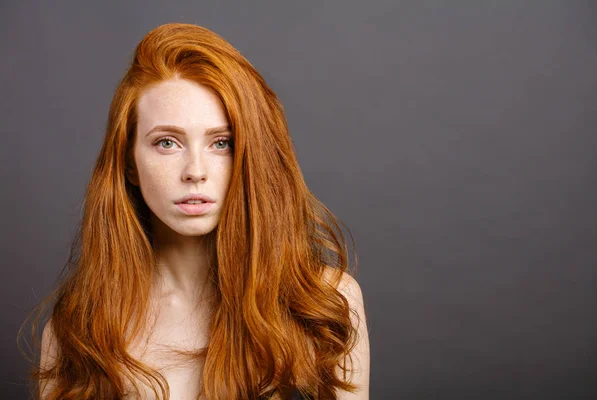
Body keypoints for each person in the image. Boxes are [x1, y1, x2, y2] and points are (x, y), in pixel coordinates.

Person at [20, 23, 369, 400]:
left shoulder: (325, 305)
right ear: (130, 162)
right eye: (167, 142)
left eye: (222, 143)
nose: (195, 171)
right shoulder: (76, 329)